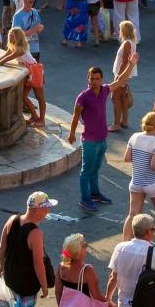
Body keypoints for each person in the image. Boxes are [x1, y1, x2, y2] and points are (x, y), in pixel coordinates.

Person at [124, 112, 155, 254]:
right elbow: (153, 166)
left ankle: (125, 243)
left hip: (136, 181)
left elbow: (127, 158)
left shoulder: (134, 137)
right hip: (153, 183)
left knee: (132, 214)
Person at [67, 66, 111, 211]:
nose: (94, 81)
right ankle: (85, 199)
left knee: (95, 168)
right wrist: (72, 134)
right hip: (90, 141)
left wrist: (131, 64)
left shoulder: (105, 90)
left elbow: (120, 80)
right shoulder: (83, 96)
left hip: (102, 138)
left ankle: (95, 193)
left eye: (97, 78)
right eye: (92, 78)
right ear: (88, 79)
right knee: (86, 170)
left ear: (101, 79)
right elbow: (75, 116)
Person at [0, 28, 45, 129]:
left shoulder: (20, 50)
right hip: (28, 73)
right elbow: (2, 57)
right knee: (23, 97)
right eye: (10, 36)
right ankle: (34, 116)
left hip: (35, 71)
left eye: (13, 36)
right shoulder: (13, 46)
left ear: (18, 37)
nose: (10, 37)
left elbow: (4, 60)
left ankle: (42, 120)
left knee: (40, 98)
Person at [109, 21, 139, 131]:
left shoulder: (126, 43)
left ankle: (116, 124)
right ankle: (124, 120)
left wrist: (118, 77)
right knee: (123, 97)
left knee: (115, 97)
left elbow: (124, 61)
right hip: (126, 75)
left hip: (121, 74)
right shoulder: (132, 42)